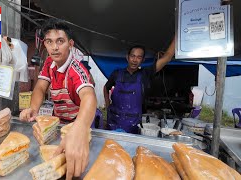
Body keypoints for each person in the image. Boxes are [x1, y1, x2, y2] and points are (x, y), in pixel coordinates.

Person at [19, 19, 97, 179]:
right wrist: (33, 108)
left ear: (70, 44)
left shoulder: (76, 69)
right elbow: (40, 87)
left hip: (79, 123)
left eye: (60, 41)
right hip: (59, 123)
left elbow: (89, 96)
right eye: (49, 42)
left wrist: (80, 129)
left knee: (75, 169)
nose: (54, 47)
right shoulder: (49, 62)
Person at [103, 39, 175, 134]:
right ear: (127, 57)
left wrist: (178, 35)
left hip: (133, 123)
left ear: (143, 60)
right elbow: (106, 87)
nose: (135, 60)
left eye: (139, 57)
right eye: (132, 56)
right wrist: (108, 105)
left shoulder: (145, 74)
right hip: (114, 120)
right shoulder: (117, 73)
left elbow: (167, 57)